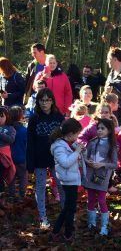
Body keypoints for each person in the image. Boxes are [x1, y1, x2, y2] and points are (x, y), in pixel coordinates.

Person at [26, 88, 65, 229]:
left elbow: (65, 138)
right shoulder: (34, 118)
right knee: (41, 186)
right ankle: (43, 217)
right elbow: (29, 141)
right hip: (39, 158)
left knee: (61, 185)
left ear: (52, 101)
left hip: (56, 158)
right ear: (38, 101)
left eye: (48, 100)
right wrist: (29, 161)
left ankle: (65, 213)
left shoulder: (58, 117)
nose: (44, 103)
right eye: (42, 100)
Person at [49, 118, 84, 242]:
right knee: (70, 209)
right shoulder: (59, 146)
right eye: (77, 134)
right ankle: (68, 233)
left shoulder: (67, 144)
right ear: (70, 134)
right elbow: (65, 162)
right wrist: (77, 152)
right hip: (68, 181)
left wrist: (77, 150)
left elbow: (73, 158)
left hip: (72, 179)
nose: (78, 136)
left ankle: (56, 231)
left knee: (68, 208)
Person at [84, 118, 118, 236]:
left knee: (102, 200)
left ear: (109, 130)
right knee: (91, 199)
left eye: (102, 128)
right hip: (90, 175)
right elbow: (86, 157)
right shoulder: (92, 142)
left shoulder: (112, 145)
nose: (99, 130)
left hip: (102, 178)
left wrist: (102, 164)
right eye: (98, 128)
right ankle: (91, 223)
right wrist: (88, 162)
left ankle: (104, 225)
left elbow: (114, 164)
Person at [8, 106, 28, 201]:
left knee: (11, 177)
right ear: (21, 116)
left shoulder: (8, 129)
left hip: (9, 158)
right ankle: (21, 195)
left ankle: (11, 194)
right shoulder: (24, 130)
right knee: (23, 176)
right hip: (21, 158)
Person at [0, 107, 16, 195]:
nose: (0, 119)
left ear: (7, 117)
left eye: (2, 116)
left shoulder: (10, 128)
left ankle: (2, 191)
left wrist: (1, 134)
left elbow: (11, 140)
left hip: (4, 156)